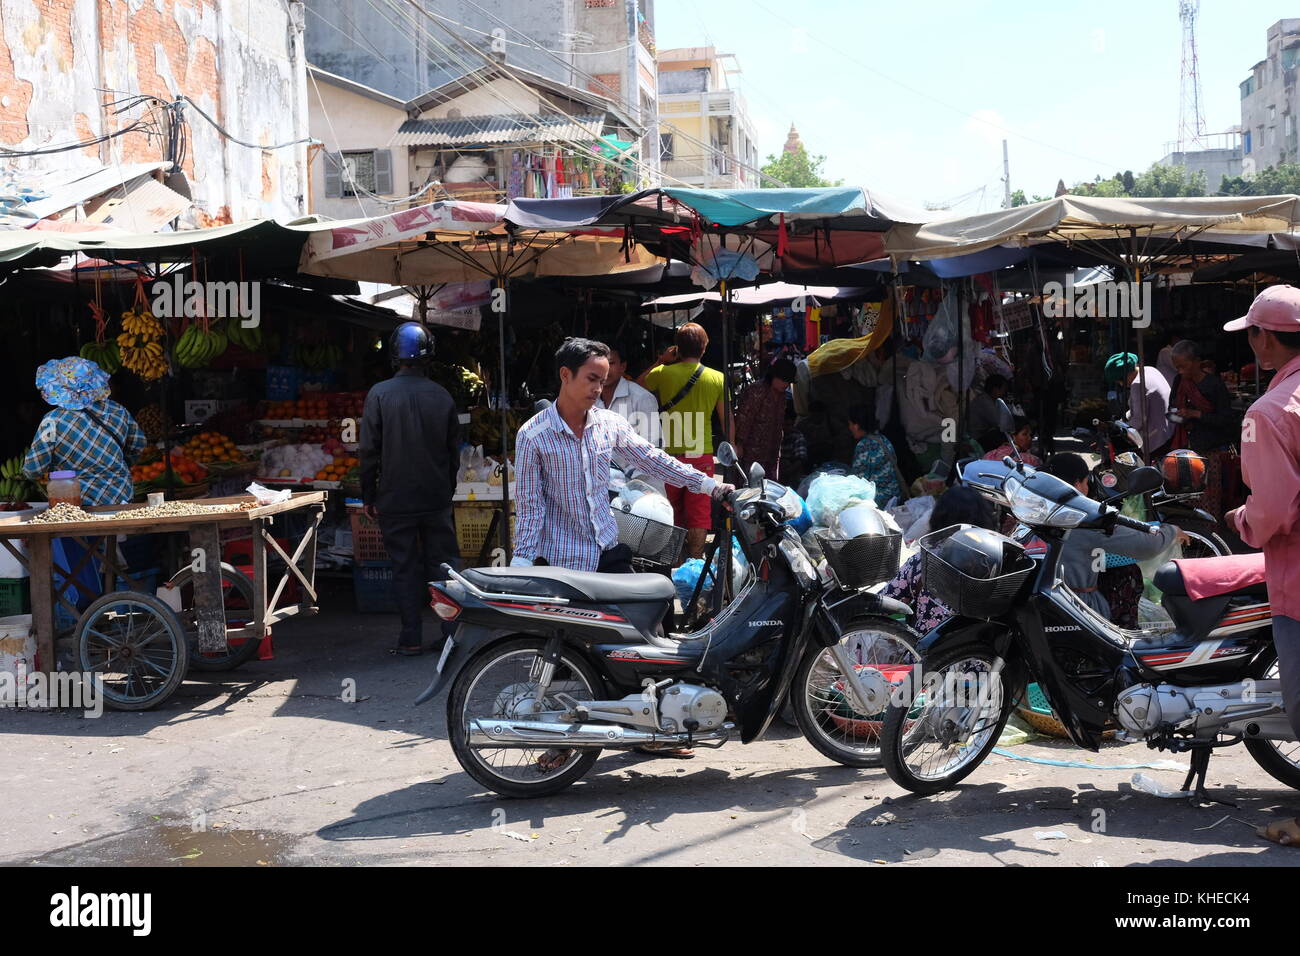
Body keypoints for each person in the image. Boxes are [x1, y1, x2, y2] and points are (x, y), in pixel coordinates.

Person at [512, 338, 735, 573]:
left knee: (654, 601)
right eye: (591, 379)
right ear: (566, 375)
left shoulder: (609, 424)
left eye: (601, 380)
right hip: (562, 561)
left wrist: (710, 486)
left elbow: (653, 459)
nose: (598, 388)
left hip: (608, 550)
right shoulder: (533, 436)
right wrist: (522, 561)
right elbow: (530, 508)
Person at [1219, 285, 1300, 846]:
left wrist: (1243, 519)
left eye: (1250, 333)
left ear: (1264, 339)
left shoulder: (1268, 413)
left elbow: (1273, 511)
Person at [359, 322, 460, 656]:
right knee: (443, 567)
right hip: (435, 497)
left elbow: (369, 453)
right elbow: (452, 453)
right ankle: (451, 636)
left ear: (394, 355)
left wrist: (369, 496)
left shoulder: (379, 393)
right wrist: (447, 491)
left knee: (404, 567)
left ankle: (411, 638)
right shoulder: (442, 395)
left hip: (394, 498)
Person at [1041, 453, 1181, 621]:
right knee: (1127, 573)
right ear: (1078, 484)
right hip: (1077, 608)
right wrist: (1172, 531)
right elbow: (1147, 545)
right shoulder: (1085, 520)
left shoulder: (1033, 510)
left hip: (1043, 602)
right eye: (1086, 482)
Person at [643, 323, 729, 560]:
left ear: (677, 348)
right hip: (701, 455)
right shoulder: (717, 378)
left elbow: (636, 385)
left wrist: (661, 360)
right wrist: (732, 447)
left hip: (668, 456)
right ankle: (693, 563)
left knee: (670, 510)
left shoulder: (662, 374)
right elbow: (726, 419)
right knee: (699, 513)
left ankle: (672, 559)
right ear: (704, 348)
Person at [23, 357, 146, 507]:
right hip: (120, 497)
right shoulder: (118, 411)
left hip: (74, 502)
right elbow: (138, 445)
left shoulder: (53, 421)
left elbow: (33, 469)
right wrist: (112, 465)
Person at [883, 486, 996, 634]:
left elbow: (885, 603)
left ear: (938, 517)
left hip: (928, 652)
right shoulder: (998, 563)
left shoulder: (922, 560)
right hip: (984, 653)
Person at [1167, 339, 1239, 521]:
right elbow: (1171, 412)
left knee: (1208, 497)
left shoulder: (1214, 385)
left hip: (1210, 450)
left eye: (1184, 366)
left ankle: (1210, 536)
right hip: (1186, 448)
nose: (1181, 372)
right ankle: (1192, 537)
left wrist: (1196, 414)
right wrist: (1180, 417)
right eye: (1177, 368)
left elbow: (1226, 420)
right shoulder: (1179, 382)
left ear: (1197, 362)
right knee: (1187, 496)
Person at [597, 341, 663, 492]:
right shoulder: (590, 401)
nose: (605, 369)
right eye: (600, 363)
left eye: (611, 363)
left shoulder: (641, 398)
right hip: (604, 491)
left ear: (623, 366)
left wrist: (621, 479)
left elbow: (653, 448)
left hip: (643, 490)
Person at [734, 357, 796, 482]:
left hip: (772, 452)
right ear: (775, 376)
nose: (786, 385)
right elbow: (744, 419)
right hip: (751, 452)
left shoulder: (782, 395)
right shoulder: (756, 391)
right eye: (785, 380)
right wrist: (739, 444)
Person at [1105, 352, 1173, 458]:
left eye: (1120, 380)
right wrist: (1120, 422)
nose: (1121, 384)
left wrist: (1121, 432)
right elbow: (1138, 409)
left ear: (1125, 374)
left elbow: (1139, 420)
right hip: (1169, 428)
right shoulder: (1149, 369)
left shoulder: (1138, 384)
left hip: (1156, 439)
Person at [847, 403, 901, 507]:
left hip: (880, 499)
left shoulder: (863, 446)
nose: (849, 428)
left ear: (856, 425)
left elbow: (858, 481)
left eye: (849, 424)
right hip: (894, 495)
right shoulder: (883, 439)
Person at [967, 373, 1009, 452]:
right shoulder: (985, 401)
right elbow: (999, 423)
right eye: (1003, 390)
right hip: (977, 438)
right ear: (995, 389)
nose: (1004, 393)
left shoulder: (988, 399)